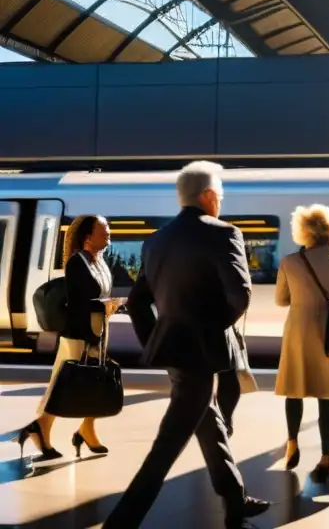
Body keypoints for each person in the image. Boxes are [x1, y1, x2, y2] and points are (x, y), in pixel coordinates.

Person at [103, 161, 268, 529]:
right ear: (209, 196)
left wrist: (158, 339)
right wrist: (207, 332)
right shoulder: (223, 233)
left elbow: (137, 301)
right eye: (220, 197)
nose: (220, 204)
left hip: (174, 350)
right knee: (167, 446)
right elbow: (240, 296)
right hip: (200, 351)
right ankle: (121, 521)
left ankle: (235, 499)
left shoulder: (157, 239)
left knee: (208, 422)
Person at [17, 215, 120, 460]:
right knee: (67, 382)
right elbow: (77, 305)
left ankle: (86, 428)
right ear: (88, 237)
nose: (109, 234)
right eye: (103, 230)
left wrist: (113, 306)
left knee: (94, 380)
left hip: (98, 330)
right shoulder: (77, 263)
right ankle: (41, 428)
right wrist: (103, 309)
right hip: (80, 333)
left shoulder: (100, 261)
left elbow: (100, 296)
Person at [274, 204, 329, 483]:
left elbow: (280, 300)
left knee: (294, 390)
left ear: (303, 231)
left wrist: (301, 299)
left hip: (298, 330)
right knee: (327, 395)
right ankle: (325, 458)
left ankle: (292, 443)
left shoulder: (289, 262)